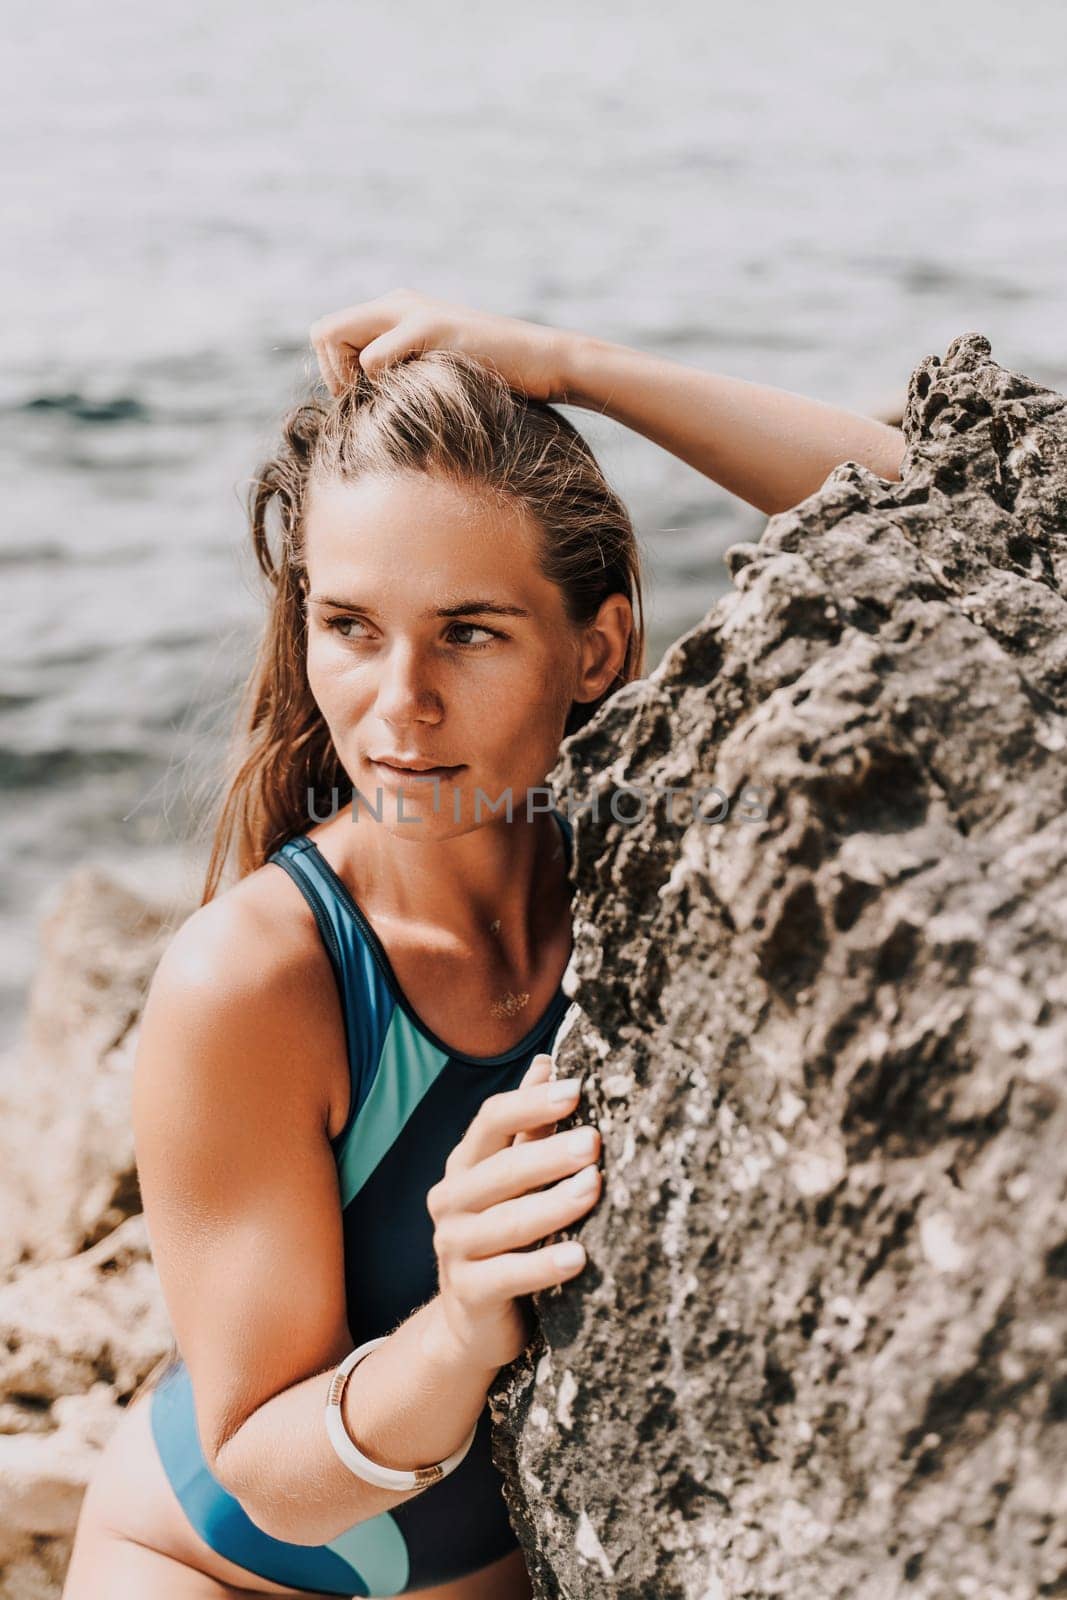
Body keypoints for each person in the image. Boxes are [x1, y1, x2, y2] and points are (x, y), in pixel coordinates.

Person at [62, 290, 905, 1600]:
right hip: (214, 1569)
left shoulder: (648, 872)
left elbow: (965, 518)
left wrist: (577, 367)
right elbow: (259, 1461)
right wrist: (459, 1328)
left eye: (469, 631)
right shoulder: (258, 979)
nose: (399, 706)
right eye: (350, 627)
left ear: (597, 648)